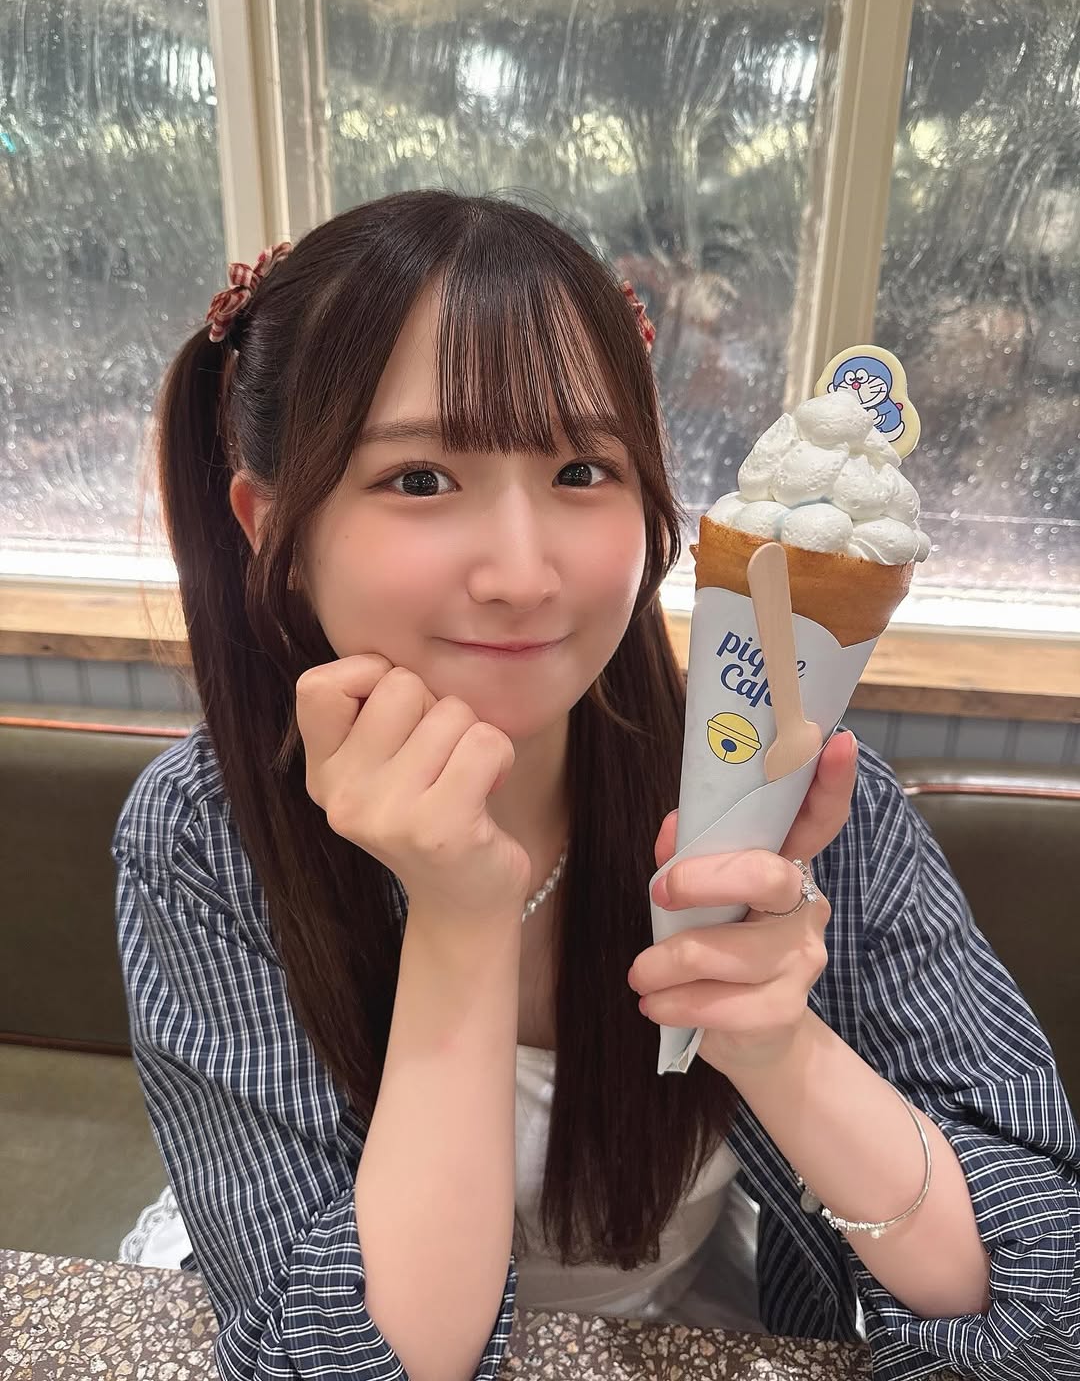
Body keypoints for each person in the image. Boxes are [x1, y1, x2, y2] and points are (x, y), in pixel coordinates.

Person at [112, 190, 1080, 1381]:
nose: (525, 575)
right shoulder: (204, 837)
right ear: (272, 529)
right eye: (419, 479)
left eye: (581, 468)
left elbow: (1051, 1311)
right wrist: (460, 918)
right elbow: (338, 1364)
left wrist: (779, 1045)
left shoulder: (802, 799)